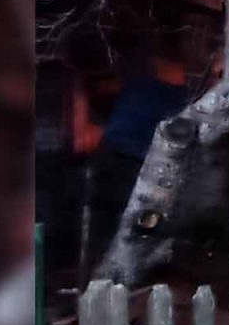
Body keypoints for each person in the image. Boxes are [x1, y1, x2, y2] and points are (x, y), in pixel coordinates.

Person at [81, 48, 191, 276]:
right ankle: (111, 275)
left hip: (117, 157)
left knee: (111, 228)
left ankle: (103, 274)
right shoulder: (172, 98)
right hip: (128, 162)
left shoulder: (141, 88)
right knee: (127, 226)